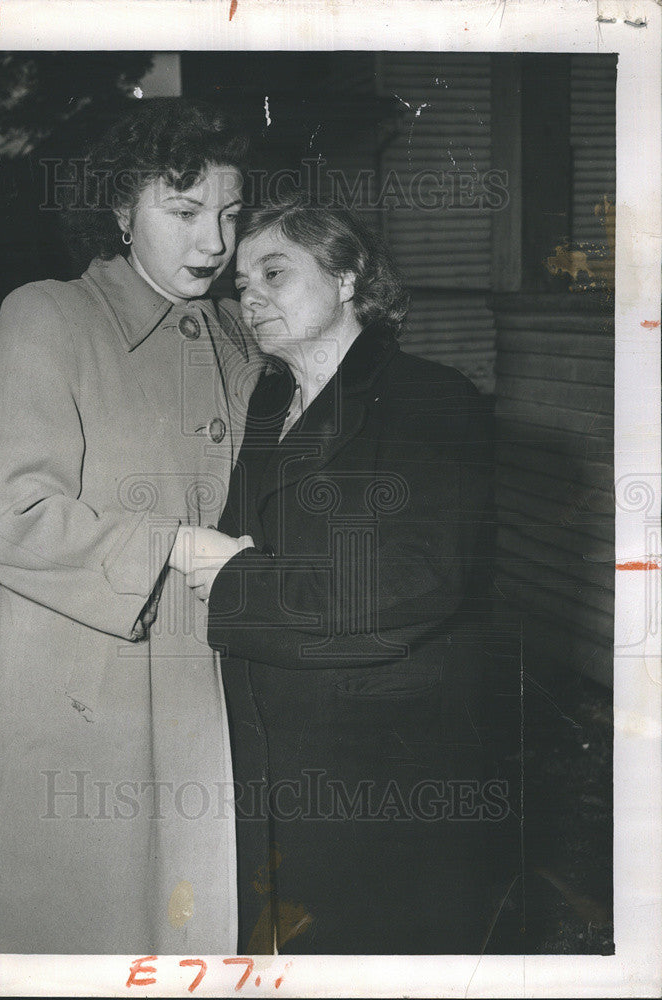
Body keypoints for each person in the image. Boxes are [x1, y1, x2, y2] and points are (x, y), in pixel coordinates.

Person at [0, 100, 262, 954]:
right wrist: (169, 544)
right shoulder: (50, 315)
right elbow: (3, 516)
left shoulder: (239, 334)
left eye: (230, 215)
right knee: (87, 925)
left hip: (209, 666)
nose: (214, 241)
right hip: (80, 680)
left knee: (193, 921)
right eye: (184, 212)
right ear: (119, 211)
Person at [172, 196, 496, 954]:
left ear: (348, 275)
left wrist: (237, 577)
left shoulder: (431, 398)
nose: (249, 296)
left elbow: (415, 581)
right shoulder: (270, 399)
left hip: (382, 772)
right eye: (241, 282)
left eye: (275, 272)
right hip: (263, 752)